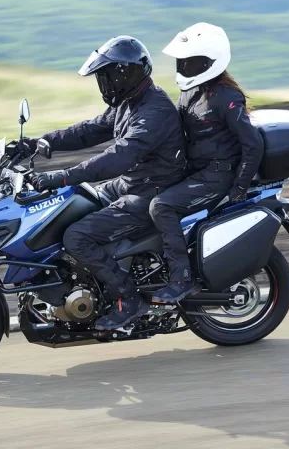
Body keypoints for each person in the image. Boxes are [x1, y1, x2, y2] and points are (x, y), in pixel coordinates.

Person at [28, 36, 186, 330]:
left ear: (125, 74)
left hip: (150, 193)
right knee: (71, 205)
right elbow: (89, 131)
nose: (104, 83)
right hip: (131, 185)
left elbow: (117, 158)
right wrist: (41, 141)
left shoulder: (154, 112)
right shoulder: (129, 102)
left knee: (76, 237)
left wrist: (60, 176)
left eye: (107, 75)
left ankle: (128, 299)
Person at [149, 22, 265, 303]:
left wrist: (239, 187)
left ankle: (180, 279)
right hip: (196, 171)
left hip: (217, 176)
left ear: (210, 62)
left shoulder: (226, 98)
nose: (184, 67)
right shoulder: (190, 91)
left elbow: (253, 144)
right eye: (183, 61)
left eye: (191, 62)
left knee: (161, 206)